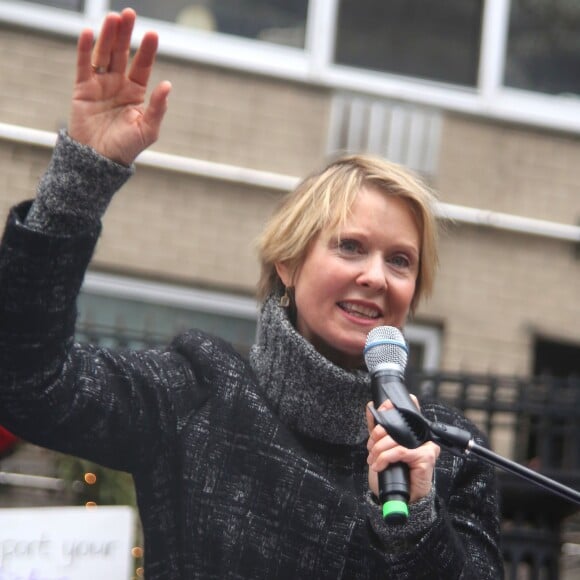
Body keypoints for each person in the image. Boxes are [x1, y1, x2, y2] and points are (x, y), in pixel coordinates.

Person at [0, 8, 502, 579]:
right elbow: (26, 382)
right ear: (287, 262)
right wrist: (81, 180)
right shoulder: (196, 395)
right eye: (349, 247)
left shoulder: (445, 456)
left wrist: (415, 520)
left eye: (400, 261)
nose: (376, 276)